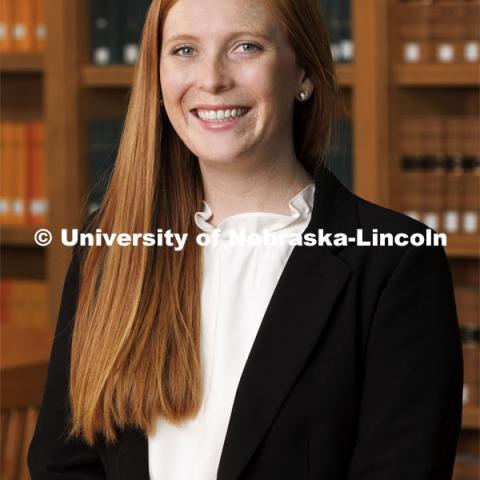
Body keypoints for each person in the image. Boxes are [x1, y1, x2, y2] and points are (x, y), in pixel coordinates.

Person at [28, 0, 463, 478]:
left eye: (245, 46)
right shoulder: (109, 247)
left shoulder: (395, 263)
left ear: (304, 74)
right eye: (185, 50)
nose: (211, 79)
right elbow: (64, 463)